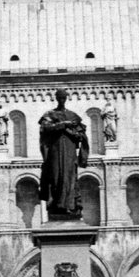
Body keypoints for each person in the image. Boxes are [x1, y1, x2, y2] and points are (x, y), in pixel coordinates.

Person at [38, 88, 89, 220]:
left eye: (64, 98)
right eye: (59, 98)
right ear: (56, 98)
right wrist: (64, 125)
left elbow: (81, 134)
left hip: (69, 152)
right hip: (55, 151)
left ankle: (70, 206)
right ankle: (57, 205)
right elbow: (45, 127)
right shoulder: (50, 114)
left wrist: (76, 134)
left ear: (66, 98)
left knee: (69, 178)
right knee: (55, 177)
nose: (62, 100)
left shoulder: (73, 116)